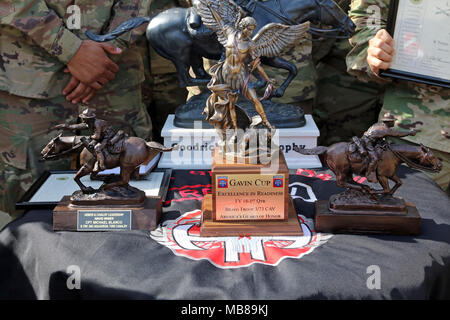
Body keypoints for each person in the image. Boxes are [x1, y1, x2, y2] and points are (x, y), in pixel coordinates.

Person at [0, 0, 153, 217]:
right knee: (33, 215)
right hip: (30, 87)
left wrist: (110, 48)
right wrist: (70, 49)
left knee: (128, 207)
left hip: (112, 80)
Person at [347, 0, 450, 192]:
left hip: (421, 136)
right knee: (401, 215)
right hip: (421, 135)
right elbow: (368, 19)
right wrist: (374, 50)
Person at [353, 112, 416, 182]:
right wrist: (410, 133)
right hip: (368, 142)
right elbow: (398, 134)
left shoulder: (377, 125)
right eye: (393, 121)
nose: (394, 123)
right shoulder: (385, 130)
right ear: (388, 122)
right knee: (375, 158)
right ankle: (369, 173)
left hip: (370, 140)